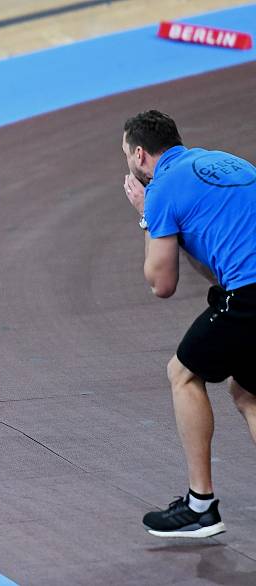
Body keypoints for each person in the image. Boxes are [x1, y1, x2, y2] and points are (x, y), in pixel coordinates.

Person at [122, 110, 256, 538]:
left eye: (126, 154)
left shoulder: (160, 190)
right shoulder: (223, 162)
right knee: (249, 392)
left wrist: (148, 216)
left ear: (140, 155)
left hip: (251, 294)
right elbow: (218, 264)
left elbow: (162, 284)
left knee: (183, 373)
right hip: (246, 285)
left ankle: (201, 507)